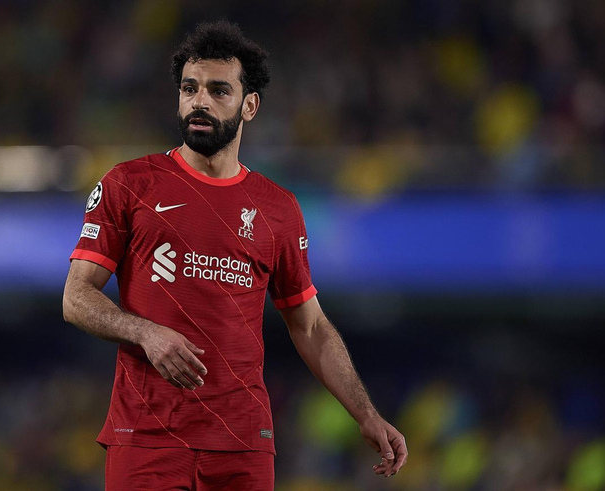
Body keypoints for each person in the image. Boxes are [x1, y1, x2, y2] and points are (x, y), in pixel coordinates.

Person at [62, 20, 407, 490]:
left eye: (218, 90)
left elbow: (309, 326)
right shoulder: (129, 184)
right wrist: (145, 333)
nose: (199, 101)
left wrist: (366, 414)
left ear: (250, 105)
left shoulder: (278, 208)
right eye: (189, 88)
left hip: (243, 444)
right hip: (147, 437)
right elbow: (76, 297)